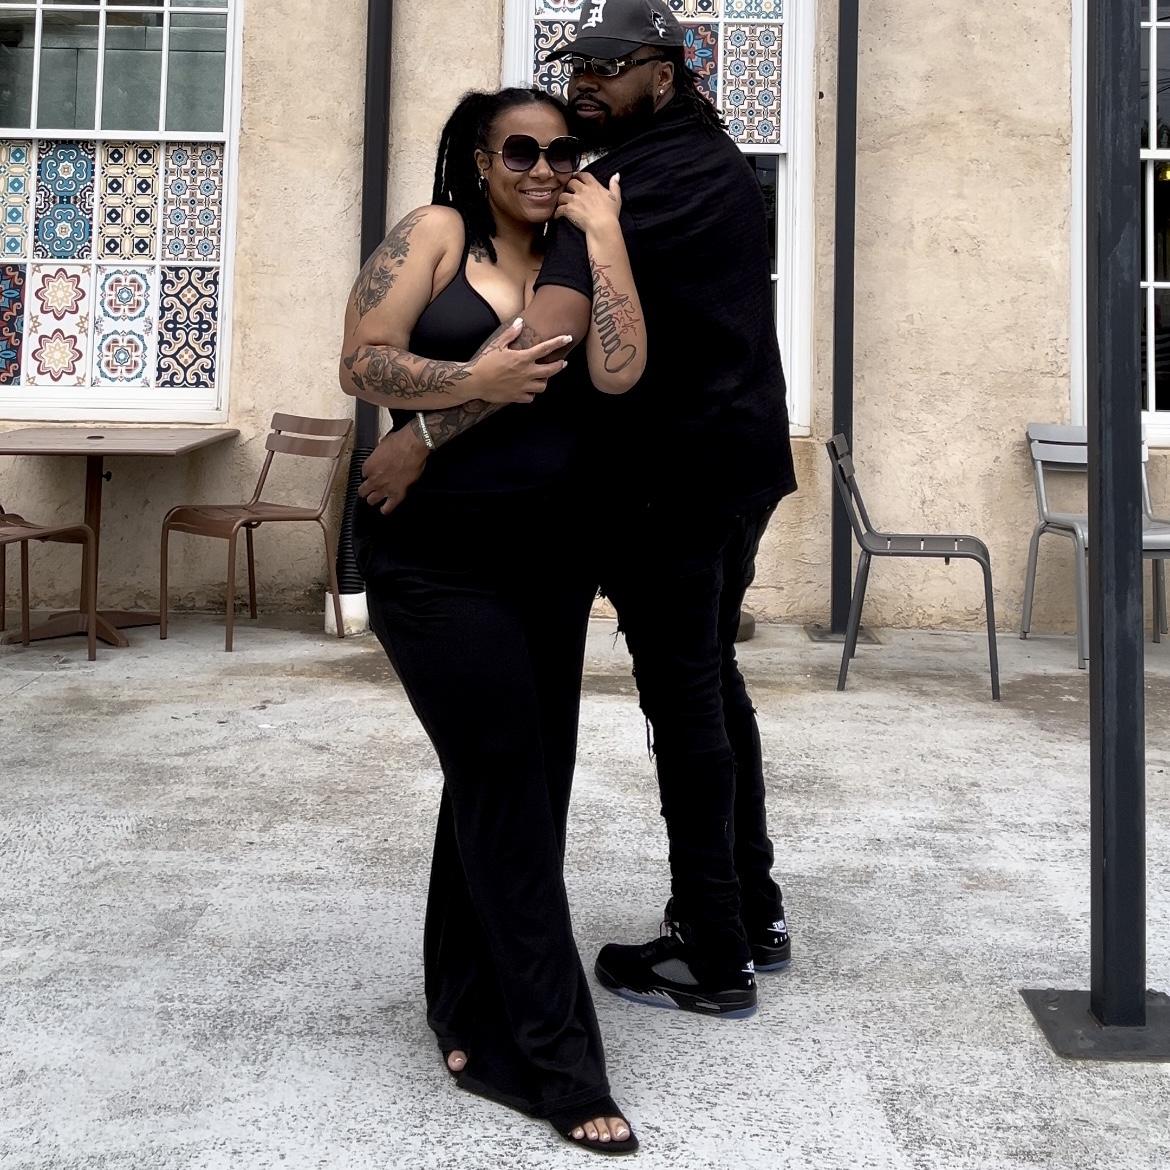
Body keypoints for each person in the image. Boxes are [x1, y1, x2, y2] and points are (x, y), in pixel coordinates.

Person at [359, 0, 796, 1022]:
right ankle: (751, 908)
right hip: (731, 465)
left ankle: (714, 949)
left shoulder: (634, 185)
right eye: (578, 64)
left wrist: (418, 436)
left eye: (611, 65)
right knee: (711, 684)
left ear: (666, 72)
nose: (587, 81)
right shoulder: (700, 160)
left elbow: (549, 338)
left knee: (685, 697)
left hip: (676, 482)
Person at [338, 87, 645, 1155]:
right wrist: (463, 385)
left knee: (512, 782)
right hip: (433, 560)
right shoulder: (435, 233)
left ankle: (463, 1005)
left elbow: (612, 370)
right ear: (480, 158)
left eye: (563, 151)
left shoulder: (573, 252)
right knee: (507, 781)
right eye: (520, 149)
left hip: (551, 561)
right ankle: (557, 1059)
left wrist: (606, 234)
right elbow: (361, 358)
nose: (543, 167)